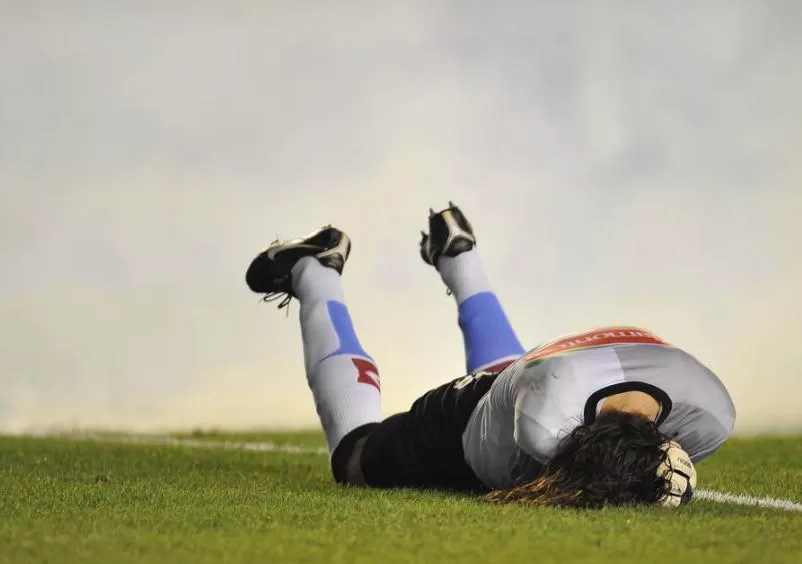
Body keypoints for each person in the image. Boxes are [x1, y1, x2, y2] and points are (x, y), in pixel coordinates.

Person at [245, 204, 736, 508]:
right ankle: (315, 270)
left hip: (542, 376)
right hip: (458, 425)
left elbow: (548, 385)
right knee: (352, 457)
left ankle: (460, 259)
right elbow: (557, 482)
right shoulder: (546, 430)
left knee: (513, 377)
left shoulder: (713, 411)